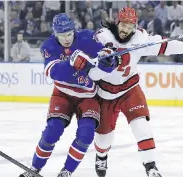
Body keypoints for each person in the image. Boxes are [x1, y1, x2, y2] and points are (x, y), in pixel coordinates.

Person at [90, 7, 183, 177]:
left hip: (130, 89)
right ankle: (101, 156)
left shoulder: (140, 38)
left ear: (135, 26)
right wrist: (108, 54)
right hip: (105, 93)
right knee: (104, 139)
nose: (125, 30)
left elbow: (163, 45)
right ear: (117, 22)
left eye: (130, 26)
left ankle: (151, 167)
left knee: (142, 127)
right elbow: (100, 49)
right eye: (123, 25)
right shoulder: (103, 35)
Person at [19, 13, 119, 177]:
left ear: (74, 31)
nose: (65, 39)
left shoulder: (87, 38)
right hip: (63, 94)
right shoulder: (49, 46)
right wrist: (72, 63)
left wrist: (109, 61)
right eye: (61, 35)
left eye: (69, 34)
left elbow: (107, 59)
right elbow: (53, 72)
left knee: (86, 134)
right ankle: (34, 168)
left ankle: (67, 171)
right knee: (52, 130)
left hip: (88, 96)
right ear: (54, 33)